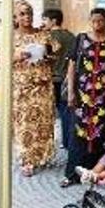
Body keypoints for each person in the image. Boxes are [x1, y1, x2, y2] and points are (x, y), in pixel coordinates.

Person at [63, 7, 105, 187]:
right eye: (94, 21)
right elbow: (71, 66)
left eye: (100, 21)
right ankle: (72, 174)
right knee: (78, 133)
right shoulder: (81, 39)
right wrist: (70, 92)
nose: (97, 24)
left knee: (103, 132)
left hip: (104, 96)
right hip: (82, 94)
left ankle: (98, 173)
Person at [8, 0, 58, 176]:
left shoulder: (43, 34)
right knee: (24, 123)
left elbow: (54, 57)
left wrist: (47, 58)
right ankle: (26, 159)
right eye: (22, 13)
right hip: (22, 88)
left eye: (29, 12)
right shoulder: (9, 37)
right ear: (15, 17)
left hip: (43, 86)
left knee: (43, 122)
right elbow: (1, 63)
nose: (26, 16)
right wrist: (18, 57)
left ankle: (42, 156)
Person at [42, 8, 75, 149]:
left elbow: (44, 56)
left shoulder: (47, 36)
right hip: (68, 79)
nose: (43, 22)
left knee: (49, 112)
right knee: (66, 111)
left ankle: (47, 144)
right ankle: (67, 141)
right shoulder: (71, 36)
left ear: (53, 20)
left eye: (45, 19)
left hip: (52, 78)